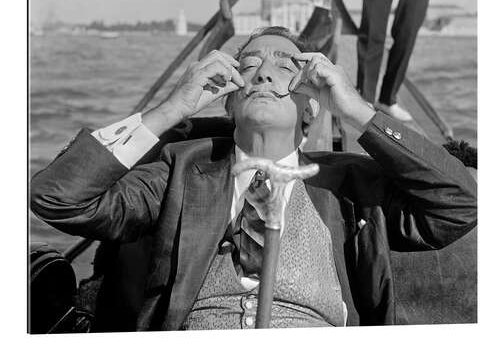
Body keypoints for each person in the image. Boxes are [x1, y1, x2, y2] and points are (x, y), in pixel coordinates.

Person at [30, 26, 476, 330]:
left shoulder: (351, 185)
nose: (263, 73)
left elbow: (459, 202)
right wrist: (174, 107)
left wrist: (355, 110)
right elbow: (58, 199)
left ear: (312, 106)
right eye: (249, 66)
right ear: (228, 101)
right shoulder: (181, 169)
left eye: (286, 67)